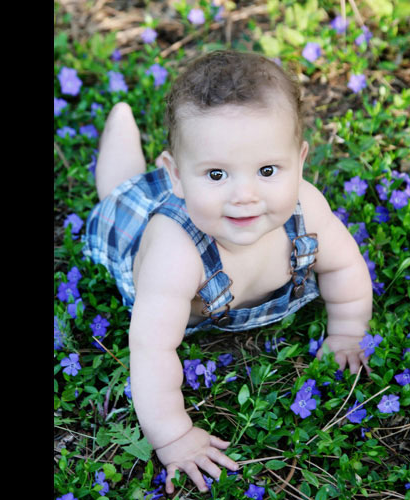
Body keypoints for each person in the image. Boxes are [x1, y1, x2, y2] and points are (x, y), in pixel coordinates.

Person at [82, 50, 373, 494]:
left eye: (268, 170)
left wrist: (349, 332)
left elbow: (345, 266)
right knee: (119, 191)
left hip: (199, 209)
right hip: (138, 231)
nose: (244, 195)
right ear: (177, 176)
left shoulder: (306, 208)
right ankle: (122, 136)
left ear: (300, 160)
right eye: (217, 173)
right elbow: (151, 348)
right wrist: (174, 436)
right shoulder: (173, 254)